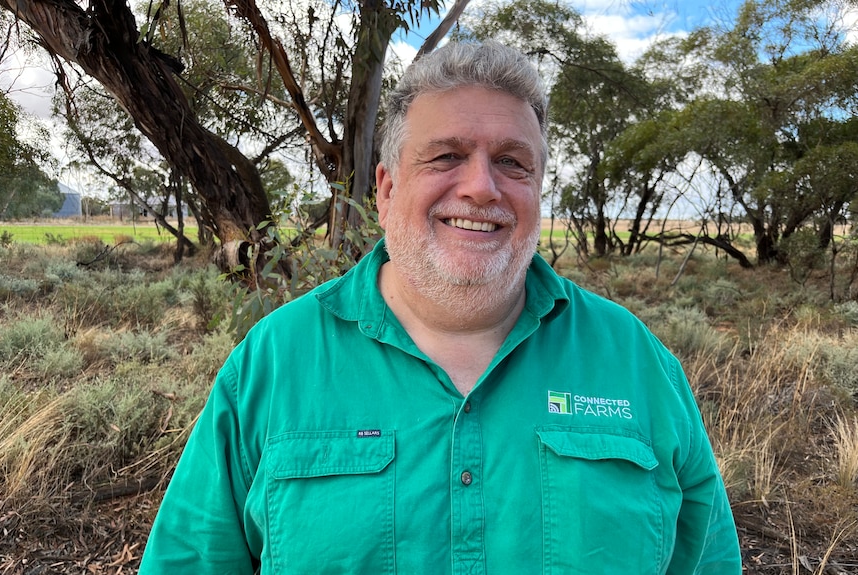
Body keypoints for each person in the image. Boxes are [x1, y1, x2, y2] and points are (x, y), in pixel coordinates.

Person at [139, 41, 742, 574]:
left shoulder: (638, 365)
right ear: (386, 188)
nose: (482, 186)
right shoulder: (270, 365)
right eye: (447, 155)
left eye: (512, 161)